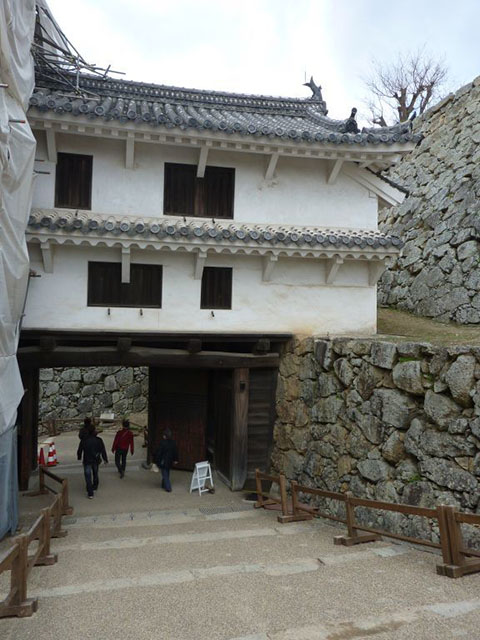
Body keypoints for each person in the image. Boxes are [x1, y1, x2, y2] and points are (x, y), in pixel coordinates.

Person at [77, 423, 108, 499]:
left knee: (87, 476)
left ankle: (90, 492)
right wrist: (105, 459)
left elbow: (80, 449)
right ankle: (95, 485)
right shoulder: (99, 440)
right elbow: (103, 450)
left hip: (87, 460)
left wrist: (79, 456)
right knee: (95, 473)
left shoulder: (84, 440)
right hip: (96, 459)